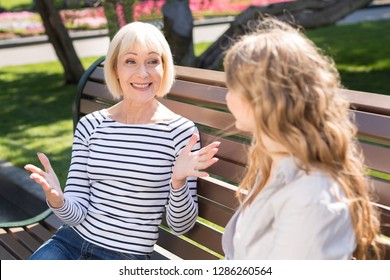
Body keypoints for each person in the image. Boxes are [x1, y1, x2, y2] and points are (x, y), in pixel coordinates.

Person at [24, 21, 220, 260]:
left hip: (124, 257)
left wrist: (178, 183)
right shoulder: (91, 125)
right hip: (69, 243)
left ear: (164, 67)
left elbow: (181, 226)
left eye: (152, 61)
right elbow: (75, 215)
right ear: (116, 69)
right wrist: (58, 199)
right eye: (130, 61)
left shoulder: (180, 133)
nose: (142, 73)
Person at [221, 17, 382, 260]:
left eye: (231, 87)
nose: (227, 97)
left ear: (263, 100)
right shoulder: (271, 161)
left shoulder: (311, 197)